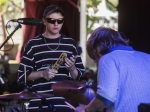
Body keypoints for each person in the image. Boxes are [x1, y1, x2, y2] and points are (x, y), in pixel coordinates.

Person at [17, 5, 85, 112]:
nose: (56, 24)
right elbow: (22, 76)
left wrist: (72, 68)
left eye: (60, 20)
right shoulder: (33, 44)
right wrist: (42, 73)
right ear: (44, 21)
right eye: (51, 20)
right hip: (38, 104)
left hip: (64, 105)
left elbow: (78, 77)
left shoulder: (70, 44)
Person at [75, 26, 150, 112]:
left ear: (97, 49)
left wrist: (85, 110)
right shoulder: (147, 57)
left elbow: (106, 96)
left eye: (94, 58)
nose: (96, 62)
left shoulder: (108, 58)